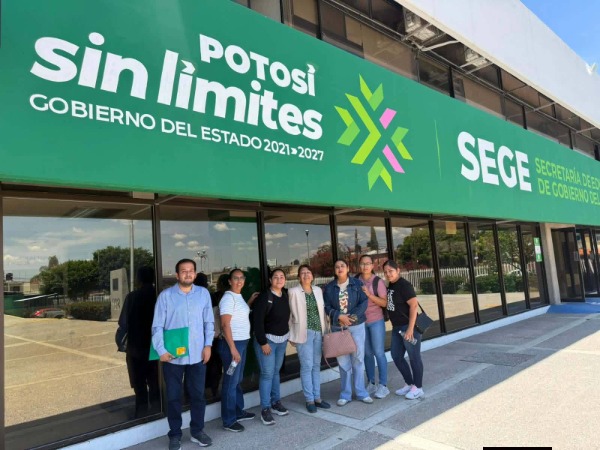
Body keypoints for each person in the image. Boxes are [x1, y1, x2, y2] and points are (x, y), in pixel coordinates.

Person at [151, 259, 214, 450]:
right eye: (184, 271)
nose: (188, 274)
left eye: (191, 270)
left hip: (198, 355)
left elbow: (209, 322)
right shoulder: (166, 296)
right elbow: (157, 326)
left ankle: (197, 431)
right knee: (173, 398)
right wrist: (161, 350)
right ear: (177, 275)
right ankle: (175, 434)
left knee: (198, 396)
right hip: (172, 358)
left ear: (195, 273)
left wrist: (208, 345)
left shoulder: (203, 294)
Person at [323, 259, 373, 406]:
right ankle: (345, 394)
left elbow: (364, 302)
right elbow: (326, 306)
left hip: (356, 326)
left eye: (342, 266)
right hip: (338, 327)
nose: (340, 268)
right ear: (334, 270)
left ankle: (361, 392)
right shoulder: (329, 287)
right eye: (337, 266)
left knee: (358, 359)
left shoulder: (357, 284)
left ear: (348, 268)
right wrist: (339, 316)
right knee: (343, 362)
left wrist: (352, 317)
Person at [218, 269, 259, 432]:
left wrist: (249, 302)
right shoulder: (228, 298)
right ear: (230, 281)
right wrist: (233, 349)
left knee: (237, 379)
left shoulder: (238, 297)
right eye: (235, 278)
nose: (239, 281)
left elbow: (239, 315)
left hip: (241, 343)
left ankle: (238, 411)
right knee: (230, 382)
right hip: (232, 345)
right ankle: (229, 420)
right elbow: (225, 324)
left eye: (242, 278)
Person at [288, 265, 330, 413]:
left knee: (316, 365)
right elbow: (289, 314)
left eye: (308, 272)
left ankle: (317, 398)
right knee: (307, 366)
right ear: (299, 277)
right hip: (303, 333)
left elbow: (322, 312)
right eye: (303, 273)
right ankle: (309, 400)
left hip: (318, 332)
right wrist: (291, 334)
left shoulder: (318, 290)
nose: (306, 275)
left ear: (312, 276)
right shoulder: (293, 292)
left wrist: (325, 331)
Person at [118, 266, 159, 418]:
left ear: (139, 279)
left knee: (140, 384)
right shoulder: (159, 295)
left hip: (136, 348)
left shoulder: (132, 297)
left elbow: (123, 323)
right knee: (155, 382)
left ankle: (142, 414)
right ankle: (157, 411)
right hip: (156, 347)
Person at [252, 268, 291, 426]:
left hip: (282, 340)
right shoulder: (265, 297)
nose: (279, 279)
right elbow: (257, 322)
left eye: (282, 277)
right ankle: (265, 409)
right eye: (276, 277)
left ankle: (276, 403)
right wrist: (263, 342)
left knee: (275, 372)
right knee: (267, 374)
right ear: (270, 280)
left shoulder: (285, 295)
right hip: (267, 342)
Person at [382, 259, 424, 400]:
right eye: (385, 272)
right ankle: (409, 383)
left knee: (414, 357)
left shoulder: (404, 285)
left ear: (398, 270)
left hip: (408, 327)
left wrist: (410, 329)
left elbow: (414, 305)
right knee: (396, 356)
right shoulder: (390, 285)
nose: (388, 274)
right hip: (397, 328)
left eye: (391, 271)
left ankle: (418, 388)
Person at [357, 254, 390, 399]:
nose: (365, 266)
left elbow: (384, 303)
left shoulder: (378, 282)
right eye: (363, 264)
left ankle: (383, 385)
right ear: (359, 265)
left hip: (376, 321)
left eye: (368, 263)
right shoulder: (355, 281)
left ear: (372, 266)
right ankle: (371, 383)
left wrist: (369, 295)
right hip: (361, 322)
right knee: (367, 353)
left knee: (379, 352)